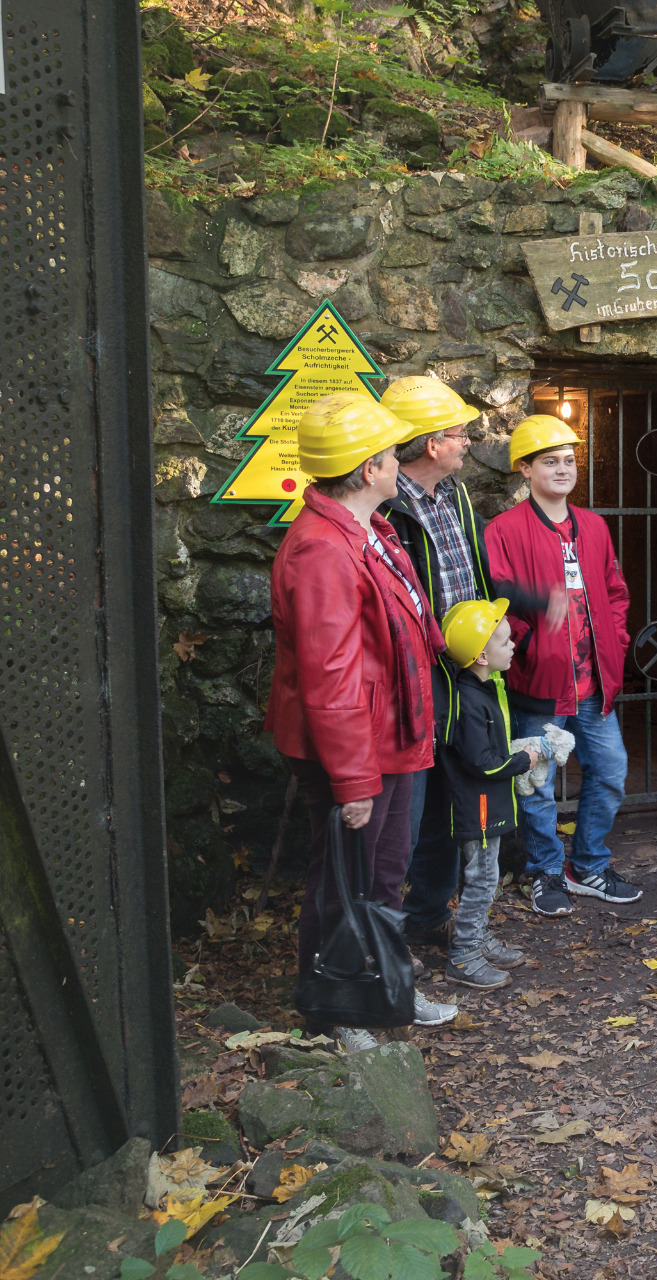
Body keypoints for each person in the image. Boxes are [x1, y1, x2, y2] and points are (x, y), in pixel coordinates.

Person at [267, 392, 459, 1050]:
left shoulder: (366, 530)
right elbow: (331, 677)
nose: (398, 465)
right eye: (390, 456)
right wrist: (352, 782)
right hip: (359, 746)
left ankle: (384, 989)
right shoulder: (323, 550)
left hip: (388, 735)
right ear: (369, 469)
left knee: (380, 874)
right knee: (344, 882)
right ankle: (336, 1011)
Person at [378, 375, 565, 953]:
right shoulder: (385, 505)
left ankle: (430, 918)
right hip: (418, 680)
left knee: (450, 803)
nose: (468, 443)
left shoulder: (454, 496)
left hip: (464, 677)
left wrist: (531, 602)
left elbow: (481, 576)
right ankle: (395, 940)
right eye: (459, 434)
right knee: (414, 811)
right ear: (432, 444)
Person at [484, 415, 641, 916]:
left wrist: (616, 641)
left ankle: (587, 865)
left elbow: (615, 593)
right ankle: (546, 872)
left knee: (611, 772)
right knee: (536, 785)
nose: (563, 469)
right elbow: (498, 600)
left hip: (594, 685)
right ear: (525, 469)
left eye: (569, 460)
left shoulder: (593, 526)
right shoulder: (503, 530)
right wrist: (530, 646)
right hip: (540, 684)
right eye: (550, 461)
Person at [434, 598, 542, 989]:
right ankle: (464, 954)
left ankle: (477, 938)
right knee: (481, 879)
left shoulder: (485, 687)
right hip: (477, 807)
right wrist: (523, 760)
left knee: (483, 876)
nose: (513, 646)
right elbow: (482, 763)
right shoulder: (470, 700)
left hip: (487, 804)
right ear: (482, 656)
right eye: (505, 641)